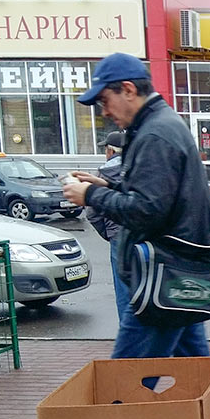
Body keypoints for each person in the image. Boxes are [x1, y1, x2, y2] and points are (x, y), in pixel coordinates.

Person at [60, 52, 210, 419]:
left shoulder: (155, 133)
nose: (104, 111)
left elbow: (148, 210)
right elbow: (159, 195)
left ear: (128, 89)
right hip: (173, 282)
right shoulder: (158, 127)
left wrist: (90, 197)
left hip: (162, 285)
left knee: (122, 383)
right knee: (202, 372)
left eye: (104, 100)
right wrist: (108, 184)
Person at [85, 131, 129, 321]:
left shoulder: (102, 174)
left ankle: (127, 331)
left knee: (123, 287)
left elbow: (92, 212)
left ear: (110, 151)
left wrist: (108, 233)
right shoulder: (137, 169)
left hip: (117, 236)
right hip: (143, 233)